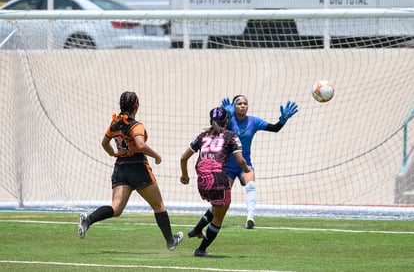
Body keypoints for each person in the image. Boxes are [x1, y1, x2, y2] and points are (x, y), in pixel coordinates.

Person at [77, 91, 183, 251]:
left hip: (121, 168)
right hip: (138, 168)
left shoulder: (114, 124)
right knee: (159, 206)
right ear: (136, 105)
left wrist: (113, 153)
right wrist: (156, 156)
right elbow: (140, 145)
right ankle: (170, 241)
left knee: (116, 208)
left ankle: (89, 220)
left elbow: (104, 143)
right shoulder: (136, 125)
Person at [180, 107, 251, 257]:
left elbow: (183, 158)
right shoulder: (231, 136)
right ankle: (201, 249)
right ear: (227, 121)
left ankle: (198, 230)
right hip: (218, 179)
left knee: (217, 206)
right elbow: (240, 160)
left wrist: (184, 176)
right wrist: (246, 169)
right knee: (220, 213)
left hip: (202, 181)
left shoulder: (202, 136)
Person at [221, 95, 298, 229]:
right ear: (233, 106)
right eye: (239, 103)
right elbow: (216, 130)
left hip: (244, 165)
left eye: (245, 103)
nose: (243, 105)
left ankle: (250, 218)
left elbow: (275, 128)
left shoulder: (253, 121)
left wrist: (283, 119)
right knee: (223, 195)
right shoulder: (228, 121)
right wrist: (225, 116)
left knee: (251, 185)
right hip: (227, 166)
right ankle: (217, 219)